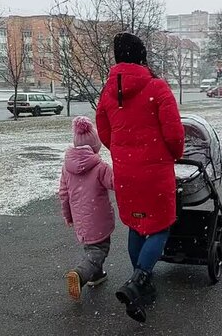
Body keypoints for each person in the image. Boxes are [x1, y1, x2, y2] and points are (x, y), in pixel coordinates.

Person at [96, 32, 185, 323]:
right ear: (142, 56)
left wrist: (124, 153)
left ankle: (141, 285)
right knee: (160, 226)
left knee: (136, 224)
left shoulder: (107, 93)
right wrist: (173, 153)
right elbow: (174, 134)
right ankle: (138, 281)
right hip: (155, 171)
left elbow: (105, 133)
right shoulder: (157, 88)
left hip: (126, 173)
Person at [59, 116, 115, 301]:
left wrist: (68, 216)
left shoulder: (67, 167)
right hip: (98, 219)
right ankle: (80, 274)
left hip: (81, 220)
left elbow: (63, 193)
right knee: (99, 250)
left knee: (91, 249)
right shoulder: (100, 167)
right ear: (95, 145)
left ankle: (96, 275)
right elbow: (115, 183)